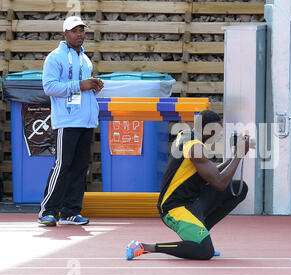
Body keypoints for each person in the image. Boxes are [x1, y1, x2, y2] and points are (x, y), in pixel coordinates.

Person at [126, 110, 249, 260]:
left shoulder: (187, 134)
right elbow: (219, 183)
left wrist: (232, 158)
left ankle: (200, 235)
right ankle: (146, 247)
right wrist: (239, 156)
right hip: (174, 208)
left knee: (239, 189)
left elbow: (212, 175)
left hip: (192, 200)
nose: (220, 134)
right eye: (217, 130)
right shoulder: (194, 148)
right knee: (205, 251)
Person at [38, 16, 104, 226]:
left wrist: (93, 85)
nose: (80, 35)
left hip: (86, 120)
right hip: (66, 121)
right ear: (65, 33)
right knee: (62, 165)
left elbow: (82, 86)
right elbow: (49, 87)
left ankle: (70, 212)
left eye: (82, 31)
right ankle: (48, 211)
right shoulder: (55, 57)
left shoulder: (85, 59)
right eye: (75, 31)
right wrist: (79, 85)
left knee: (79, 168)